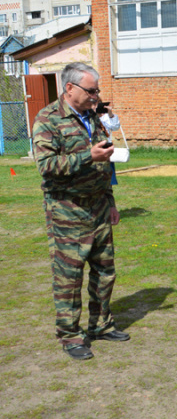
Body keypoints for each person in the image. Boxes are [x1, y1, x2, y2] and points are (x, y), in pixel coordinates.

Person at [32, 62, 129, 361]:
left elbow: (104, 164)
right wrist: (88, 155)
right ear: (70, 87)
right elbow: (46, 167)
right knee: (69, 277)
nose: (96, 96)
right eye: (91, 90)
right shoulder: (47, 119)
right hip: (67, 211)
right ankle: (70, 335)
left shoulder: (92, 115)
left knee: (104, 271)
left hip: (99, 206)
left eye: (97, 90)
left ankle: (100, 324)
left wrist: (111, 202)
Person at [98, 101, 120, 186]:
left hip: (106, 146)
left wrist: (110, 113)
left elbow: (115, 127)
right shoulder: (86, 116)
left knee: (108, 173)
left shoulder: (106, 118)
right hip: (92, 147)